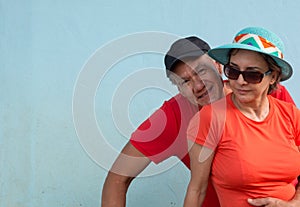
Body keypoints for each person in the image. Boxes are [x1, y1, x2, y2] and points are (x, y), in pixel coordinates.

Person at [101, 35, 296, 207]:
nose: (198, 85)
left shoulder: (268, 94)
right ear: (177, 88)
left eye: (202, 71)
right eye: (185, 81)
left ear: (219, 66)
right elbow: (117, 179)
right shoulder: (171, 117)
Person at [184, 27, 300, 207]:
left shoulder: (291, 115)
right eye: (233, 71)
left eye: (252, 74)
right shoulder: (210, 118)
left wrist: (295, 203)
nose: (240, 81)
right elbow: (197, 190)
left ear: (273, 77)